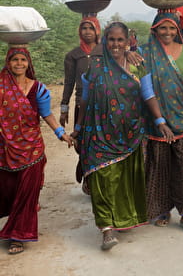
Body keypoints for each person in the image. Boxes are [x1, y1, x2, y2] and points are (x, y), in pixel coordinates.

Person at [71, 22, 167, 250]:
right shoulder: (93, 67)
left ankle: (122, 219)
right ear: (105, 40)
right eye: (111, 39)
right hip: (98, 134)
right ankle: (106, 229)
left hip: (129, 133)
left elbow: (148, 94)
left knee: (123, 179)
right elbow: (84, 99)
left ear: (127, 42)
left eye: (120, 40)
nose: (115, 44)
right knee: (102, 178)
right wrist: (78, 127)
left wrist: (160, 120)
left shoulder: (137, 66)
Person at [0, 45, 74, 255]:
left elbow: (46, 114)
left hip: (32, 148)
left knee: (26, 193)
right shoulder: (1, 87)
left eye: (23, 60)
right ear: (8, 62)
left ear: (29, 63)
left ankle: (17, 236)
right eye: (15, 60)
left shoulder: (38, 89)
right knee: (9, 189)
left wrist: (61, 134)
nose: (19, 64)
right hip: (5, 148)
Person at [140, 10, 183, 233]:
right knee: (160, 166)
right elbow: (145, 87)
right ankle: (163, 208)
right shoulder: (145, 53)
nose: (167, 32)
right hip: (157, 119)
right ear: (154, 29)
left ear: (177, 30)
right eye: (162, 28)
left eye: (171, 28)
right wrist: (159, 119)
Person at [60, 17, 102, 187]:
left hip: (103, 105)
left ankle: (101, 179)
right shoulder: (73, 55)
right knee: (83, 143)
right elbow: (69, 82)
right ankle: (88, 177)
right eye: (84, 28)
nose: (87, 32)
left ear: (97, 31)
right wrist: (64, 108)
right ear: (80, 31)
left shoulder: (105, 51)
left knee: (101, 142)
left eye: (91, 28)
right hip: (81, 105)